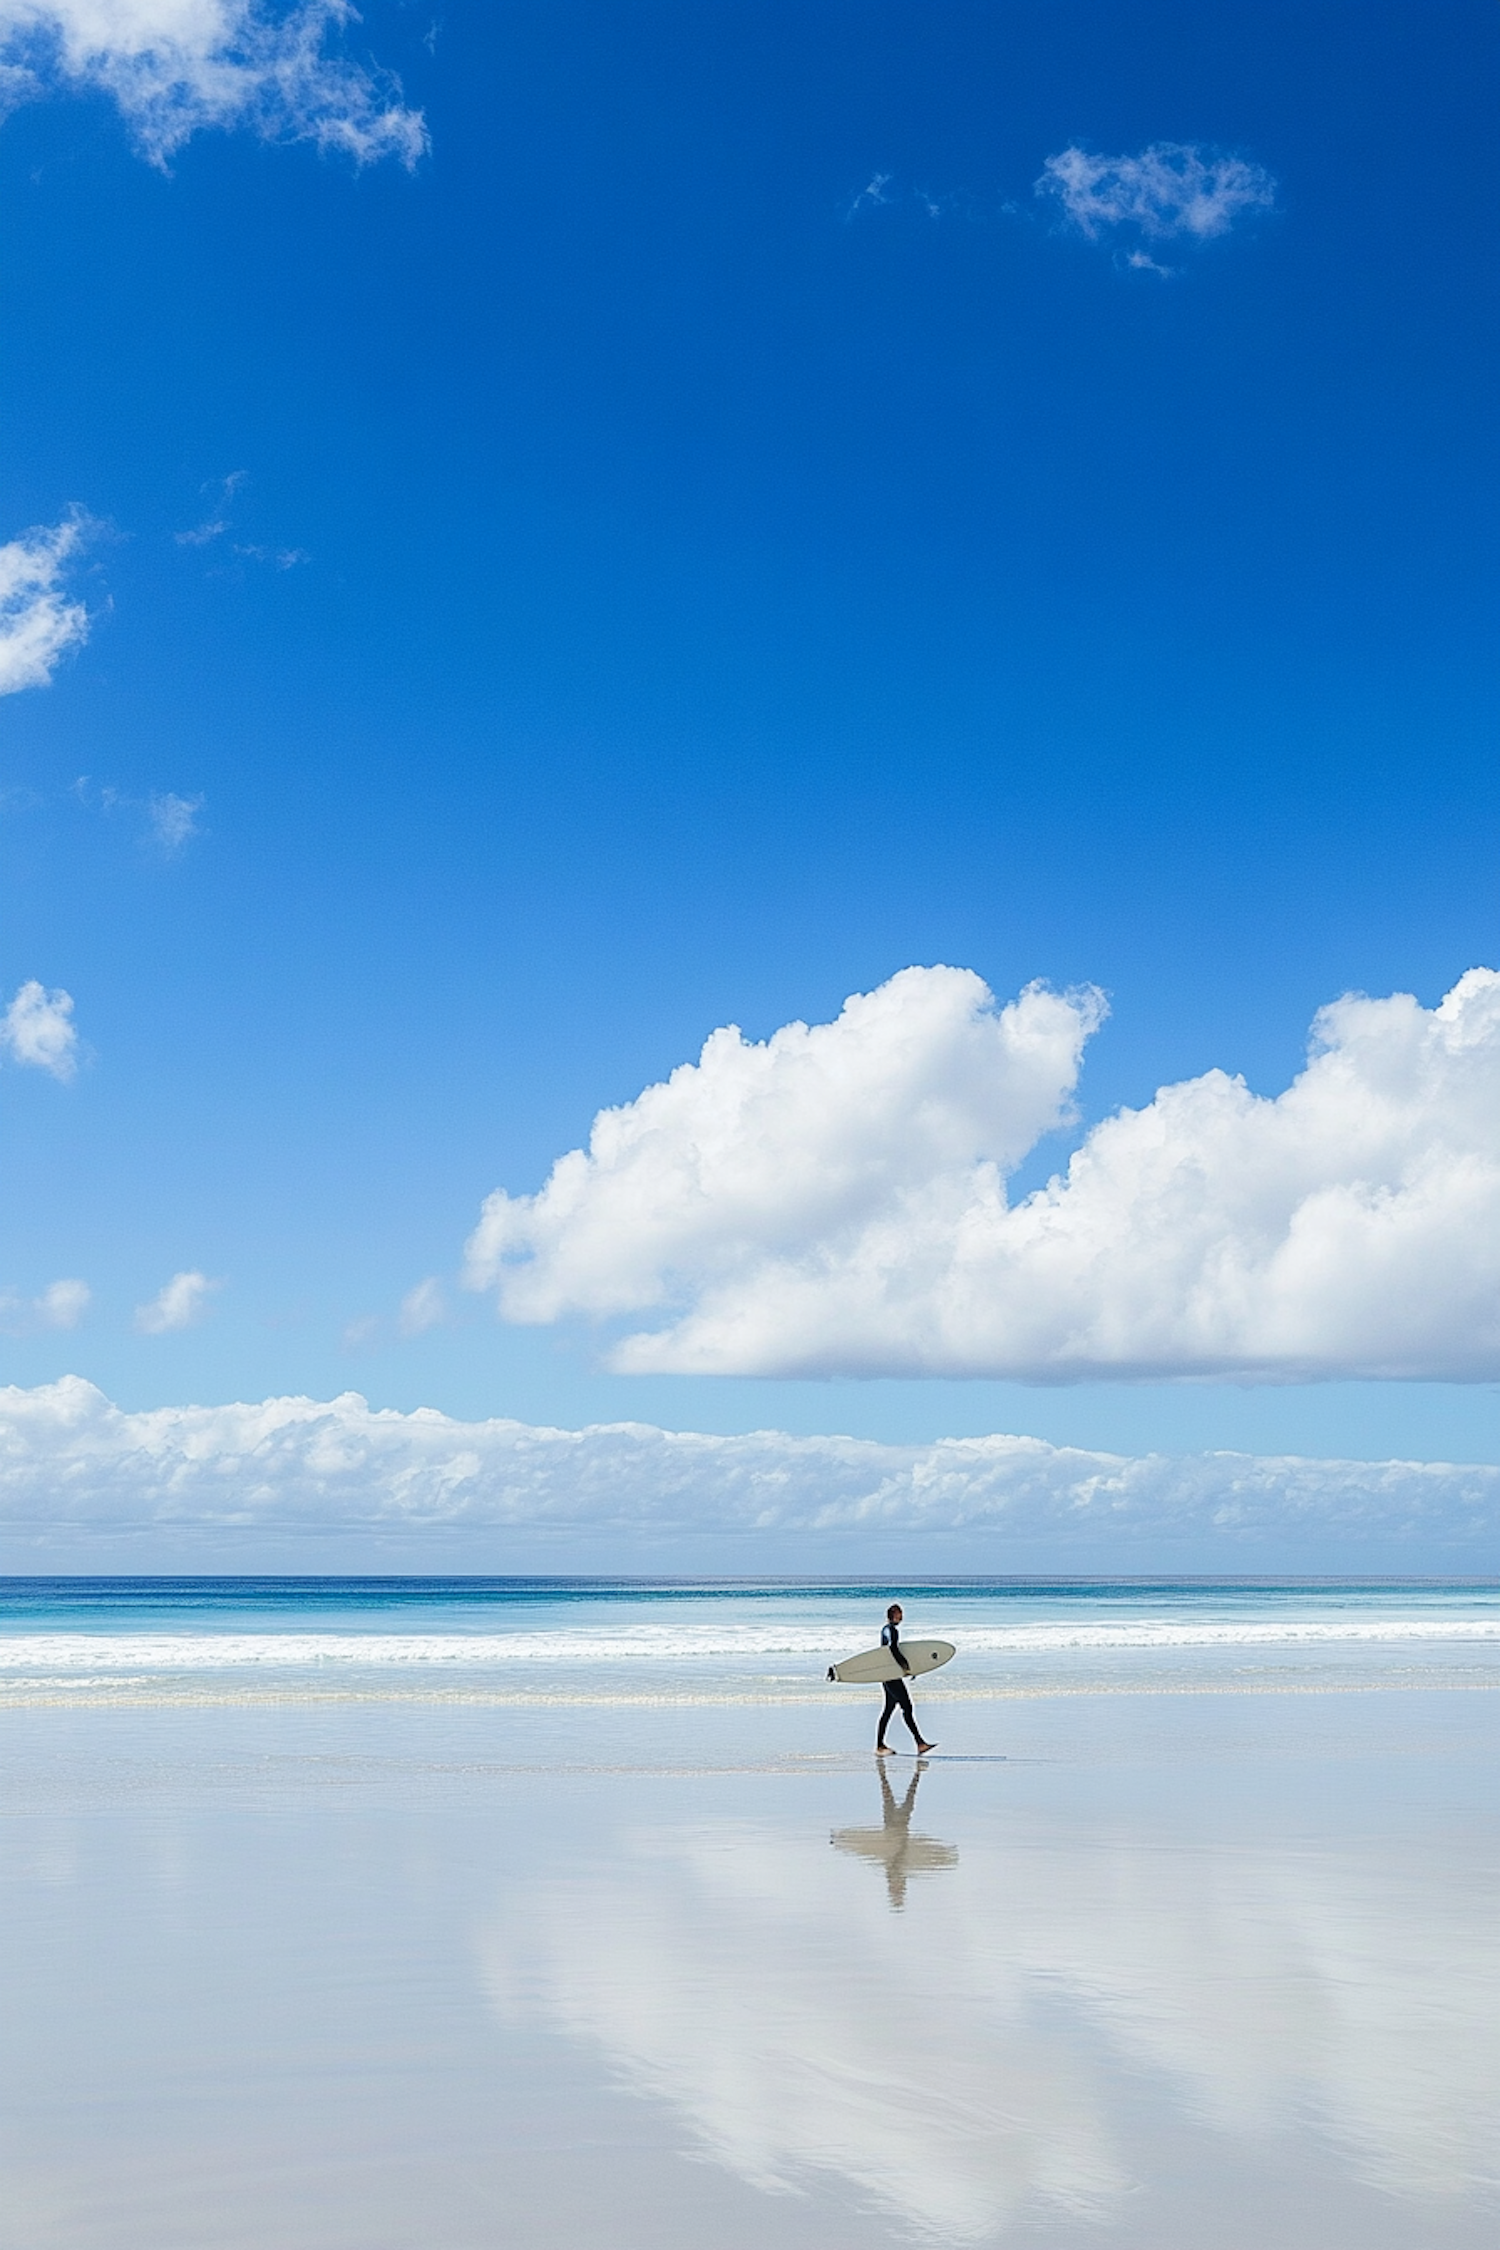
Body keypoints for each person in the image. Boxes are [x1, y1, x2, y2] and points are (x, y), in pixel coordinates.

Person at [876, 1604, 936, 1756]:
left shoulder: (885, 1629)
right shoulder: (891, 1630)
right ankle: (920, 1743)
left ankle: (879, 1746)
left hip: (887, 1675)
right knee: (907, 1708)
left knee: (888, 1710)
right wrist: (906, 1667)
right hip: (892, 1676)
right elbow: (893, 1649)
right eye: (900, 1613)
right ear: (893, 1614)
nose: (902, 1616)